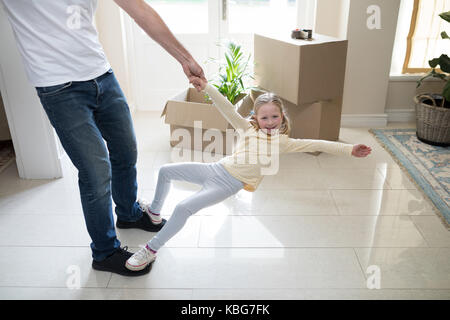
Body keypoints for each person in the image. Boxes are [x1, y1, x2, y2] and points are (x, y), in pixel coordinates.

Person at [1, 0, 206, 276]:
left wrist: (185, 58)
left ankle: (129, 212)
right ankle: (105, 251)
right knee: (96, 171)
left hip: (102, 75)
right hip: (57, 87)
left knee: (126, 149)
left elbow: (140, 11)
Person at [125, 78, 372, 271]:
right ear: (256, 118)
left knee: (182, 208)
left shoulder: (284, 143)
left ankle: (150, 250)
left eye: (275, 116)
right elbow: (225, 108)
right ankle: (155, 213)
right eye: (264, 117)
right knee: (166, 171)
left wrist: (349, 149)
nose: (270, 121)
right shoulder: (247, 128)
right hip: (216, 169)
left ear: (282, 117)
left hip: (228, 183)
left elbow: (316, 143)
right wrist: (207, 87)